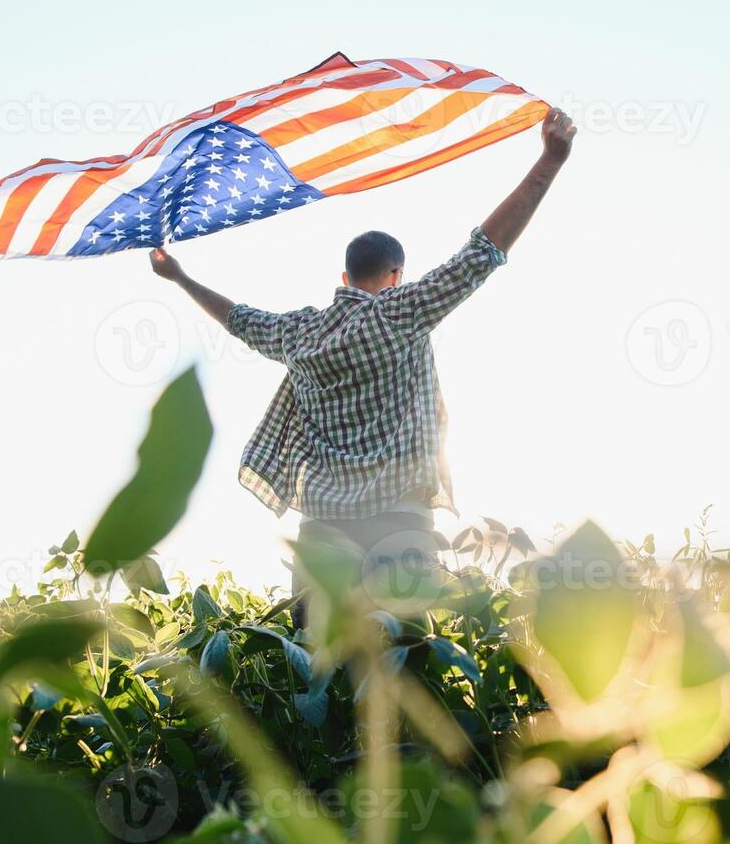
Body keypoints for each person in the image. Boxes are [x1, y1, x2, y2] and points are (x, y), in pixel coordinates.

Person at [148, 107, 577, 610]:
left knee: (316, 666)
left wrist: (178, 276)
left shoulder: (298, 332)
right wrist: (550, 160)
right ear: (396, 275)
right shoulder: (401, 312)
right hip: (400, 524)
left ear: (345, 277)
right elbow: (483, 251)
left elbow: (237, 318)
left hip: (323, 532)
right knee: (406, 663)